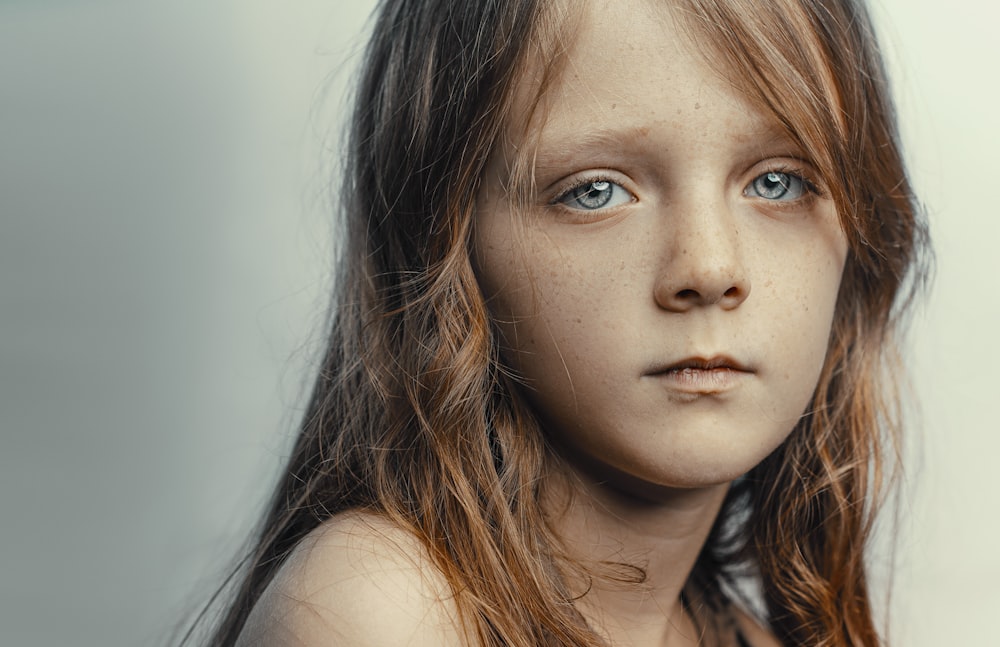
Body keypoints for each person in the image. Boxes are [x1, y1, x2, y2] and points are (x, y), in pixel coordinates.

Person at [191, 0, 930, 644]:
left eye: (778, 183)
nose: (708, 267)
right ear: (448, 243)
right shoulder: (380, 609)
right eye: (596, 191)